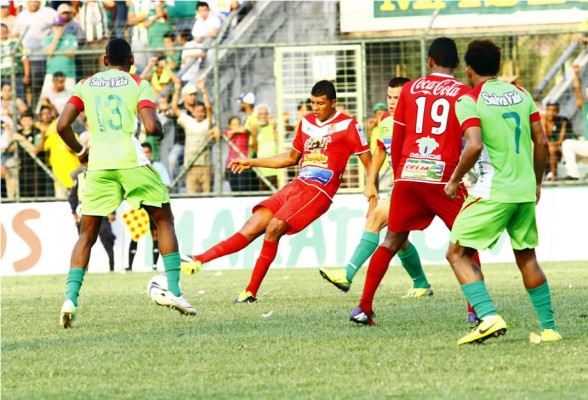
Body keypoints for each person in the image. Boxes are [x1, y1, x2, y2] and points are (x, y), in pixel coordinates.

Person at [182, 80, 372, 304]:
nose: (315, 108)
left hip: (319, 191)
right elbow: (291, 158)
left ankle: (250, 291)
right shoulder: (307, 122)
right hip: (297, 185)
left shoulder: (348, 125)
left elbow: (369, 162)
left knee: (274, 227)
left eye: (320, 103)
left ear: (333, 103)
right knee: (252, 226)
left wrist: (372, 191)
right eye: (312, 103)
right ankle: (198, 260)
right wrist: (252, 162)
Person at [56, 38, 196, 329]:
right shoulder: (138, 83)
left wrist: (82, 151)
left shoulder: (86, 84)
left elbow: (61, 126)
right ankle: (175, 290)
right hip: (130, 160)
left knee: (86, 235)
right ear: (131, 60)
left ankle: (70, 299)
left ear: (105, 60)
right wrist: (157, 129)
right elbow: (151, 126)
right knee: (163, 219)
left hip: (99, 165)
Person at [348, 37, 481, 326]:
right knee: (466, 241)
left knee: (391, 240)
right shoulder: (464, 92)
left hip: (408, 175)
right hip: (443, 178)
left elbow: (397, 138)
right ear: (457, 64)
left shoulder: (410, 89)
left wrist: (400, 175)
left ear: (430, 61)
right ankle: (475, 309)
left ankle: (363, 307)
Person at [445, 39, 560, 345]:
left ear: (468, 70)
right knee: (527, 259)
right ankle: (549, 329)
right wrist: (536, 182)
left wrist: (455, 179)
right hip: (523, 190)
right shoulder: (521, 94)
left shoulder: (470, 99)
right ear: (498, 67)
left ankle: (488, 316)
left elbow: (474, 145)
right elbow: (542, 142)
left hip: (493, 189)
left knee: (456, 253)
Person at [320, 77, 432, 299]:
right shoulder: (385, 120)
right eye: (389, 97)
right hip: (401, 186)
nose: (391, 102)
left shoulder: (418, 121)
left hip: (418, 183)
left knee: (375, 221)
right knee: (399, 239)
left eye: (397, 98)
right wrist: (371, 182)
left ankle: (347, 274)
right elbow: (381, 150)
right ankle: (421, 283)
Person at [127, 142, 172, 272]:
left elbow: (167, 185)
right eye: (143, 152)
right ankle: (129, 266)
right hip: (139, 205)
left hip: (154, 203)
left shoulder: (158, 167)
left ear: (151, 153)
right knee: (135, 233)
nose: (145, 154)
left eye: (147, 152)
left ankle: (154, 265)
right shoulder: (133, 166)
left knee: (155, 234)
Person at [69, 152, 116, 272]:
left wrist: (112, 211)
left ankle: (111, 267)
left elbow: (110, 193)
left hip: (101, 210)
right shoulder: (79, 176)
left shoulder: (103, 174)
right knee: (84, 241)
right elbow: (73, 196)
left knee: (107, 238)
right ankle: (83, 269)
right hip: (83, 212)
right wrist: (74, 212)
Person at [171, 78, 215, 194]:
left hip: (205, 165)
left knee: (207, 195)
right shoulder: (188, 121)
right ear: (193, 112)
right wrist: (177, 89)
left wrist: (203, 90)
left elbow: (209, 108)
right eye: (198, 111)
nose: (200, 113)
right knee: (192, 196)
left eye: (202, 111)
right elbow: (174, 108)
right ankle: (174, 190)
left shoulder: (207, 123)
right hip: (191, 165)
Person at [561, 64, 588, 180]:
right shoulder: (585, 107)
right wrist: (576, 74)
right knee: (567, 144)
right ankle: (573, 174)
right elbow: (577, 91)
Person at [542, 101, 576, 180]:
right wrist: (544, 123)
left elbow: (561, 140)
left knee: (551, 149)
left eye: (554, 110)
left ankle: (554, 175)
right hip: (546, 147)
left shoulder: (563, 121)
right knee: (543, 148)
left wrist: (550, 144)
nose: (551, 113)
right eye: (549, 110)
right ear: (546, 110)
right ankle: (544, 175)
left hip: (561, 148)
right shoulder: (542, 120)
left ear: (558, 111)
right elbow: (544, 138)